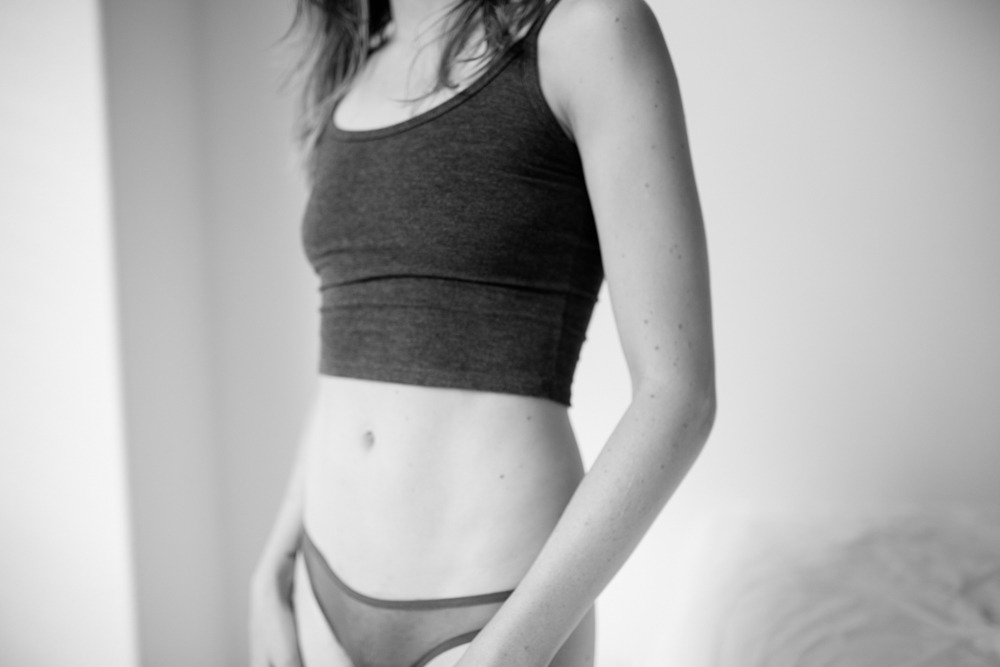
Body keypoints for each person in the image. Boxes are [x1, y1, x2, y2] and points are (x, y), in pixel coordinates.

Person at [250, 0, 716, 663]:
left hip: (494, 616)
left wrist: (509, 652)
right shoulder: (349, 75)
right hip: (316, 593)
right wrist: (271, 565)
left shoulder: (588, 30)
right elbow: (349, 363)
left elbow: (678, 396)